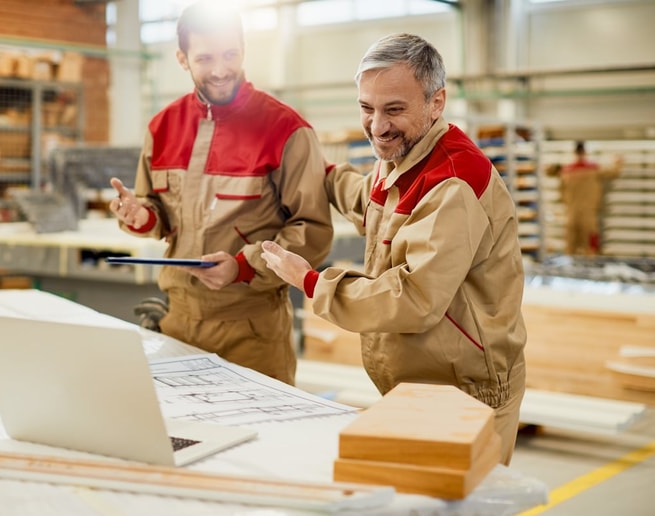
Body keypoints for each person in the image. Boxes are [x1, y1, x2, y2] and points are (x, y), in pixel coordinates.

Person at [261, 33, 526, 465]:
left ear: (436, 103)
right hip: (420, 383)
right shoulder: (406, 158)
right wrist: (314, 167)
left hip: (464, 393)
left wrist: (310, 281)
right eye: (367, 108)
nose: (378, 125)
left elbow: (415, 299)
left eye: (394, 110)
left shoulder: (453, 182)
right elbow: (368, 200)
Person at [109, 0, 333, 386]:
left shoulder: (285, 129)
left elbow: (311, 231)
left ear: (244, 49)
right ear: (182, 58)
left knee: (264, 441)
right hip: (177, 323)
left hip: (251, 330)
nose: (220, 69)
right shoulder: (162, 127)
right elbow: (158, 213)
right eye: (205, 57)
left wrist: (243, 267)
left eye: (231, 54)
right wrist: (141, 216)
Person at [547, 141, 622, 256]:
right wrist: (618, 162)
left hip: (571, 215)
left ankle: (570, 268)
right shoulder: (593, 169)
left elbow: (548, 171)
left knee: (571, 247)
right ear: (585, 153)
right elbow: (613, 172)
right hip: (588, 215)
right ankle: (589, 265)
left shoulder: (566, 171)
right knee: (590, 246)